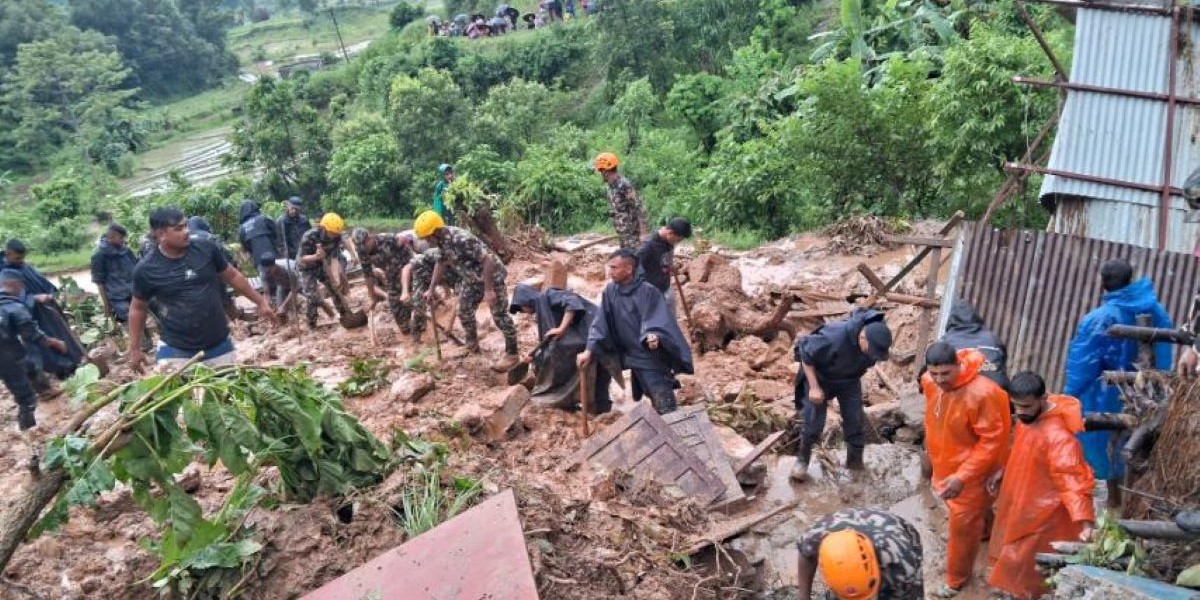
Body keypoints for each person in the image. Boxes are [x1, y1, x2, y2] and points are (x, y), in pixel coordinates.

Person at [1064, 259, 1171, 509]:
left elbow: (1082, 362)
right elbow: (1164, 351)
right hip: (1147, 391)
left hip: (1105, 392)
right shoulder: (1154, 310)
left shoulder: (1098, 319)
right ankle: (1134, 505)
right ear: (1131, 279)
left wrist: (1069, 395)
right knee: (1138, 448)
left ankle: (1114, 504)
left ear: (1102, 284)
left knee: (1106, 448)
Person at [987, 372, 1095, 600]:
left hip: (1044, 518)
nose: (1020, 412)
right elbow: (1021, 450)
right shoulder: (1029, 420)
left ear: (1043, 399)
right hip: (1021, 503)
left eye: (1026, 406)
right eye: (1016, 406)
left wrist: (1085, 522)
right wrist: (1004, 471)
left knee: (1030, 571)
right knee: (1013, 561)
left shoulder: (1059, 438)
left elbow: (1072, 481)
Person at [127, 207, 276, 371]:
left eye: (185, 226)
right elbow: (138, 308)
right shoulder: (146, 269)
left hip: (218, 343)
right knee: (181, 394)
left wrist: (260, 302)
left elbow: (232, 276)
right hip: (176, 350)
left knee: (225, 393)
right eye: (178, 228)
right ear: (161, 234)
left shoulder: (205, 248)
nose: (186, 231)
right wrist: (134, 349)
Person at [921, 342, 1012, 598]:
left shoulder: (985, 393)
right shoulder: (929, 383)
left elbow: (993, 440)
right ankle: (986, 533)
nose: (940, 380)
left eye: (945, 374)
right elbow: (932, 419)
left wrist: (963, 476)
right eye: (934, 373)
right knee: (974, 517)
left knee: (961, 527)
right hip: (946, 463)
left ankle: (956, 579)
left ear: (958, 366)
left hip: (974, 471)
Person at [578, 249, 693, 414]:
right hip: (626, 353)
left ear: (629, 269)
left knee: (663, 401)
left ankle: (674, 428)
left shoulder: (648, 292)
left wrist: (653, 335)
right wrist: (588, 351)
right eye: (610, 268)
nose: (610, 272)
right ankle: (600, 410)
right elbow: (600, 323)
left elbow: (657, 320)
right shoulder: (610, 291)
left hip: (648, 356)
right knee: (597, 361)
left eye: (614, 268)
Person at [790, 308, 893, 481]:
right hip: (821, 378)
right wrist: (814, 387)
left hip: (849, 381)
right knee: (814, 424)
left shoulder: (877, 336)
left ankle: (855, 464)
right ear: (862, 338)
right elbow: (806, 353)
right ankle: (802, 460)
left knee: (855, 421)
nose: (873, 355)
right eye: (871, 351)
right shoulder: (833, 337)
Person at [415, 211, 519, 368]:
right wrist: (431, 289)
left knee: (499, 315)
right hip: (471, 279)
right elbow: (441, 263)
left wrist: (489, 290)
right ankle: (472, 344)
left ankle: (512, 354)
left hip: (492, 277)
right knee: (464, 311)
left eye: (427, 238)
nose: (427, 242)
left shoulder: (460, 239)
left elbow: (488, 260)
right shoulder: (442, 242)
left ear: (435, 232)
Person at [510, 283, 612, 413]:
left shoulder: (548, 295)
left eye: (520, 309)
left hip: (598, 334)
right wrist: (534, 356)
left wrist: (562, 328)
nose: (523, 312)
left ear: (525, 301)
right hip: (589, 340)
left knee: (600, 378)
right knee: (597, 380)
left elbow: (573, 302)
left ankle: (601, 414)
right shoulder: (543, 310)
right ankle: (600, 415)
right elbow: (549, 340)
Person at [796, 508, 924, 600]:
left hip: (893, 533)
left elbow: (915, 593)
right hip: (845, 524)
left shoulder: (903, 566)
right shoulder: (816, 537)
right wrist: (803, 595)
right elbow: (805, 554)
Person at [4, 239, 83, 380]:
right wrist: (34, 298)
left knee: (62, 335)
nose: (20, 261)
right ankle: (62, 370)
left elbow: (40, 281)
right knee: (45, 341)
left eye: (22, 258)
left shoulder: (23, 265)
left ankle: (73, 363)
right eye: (17, 258)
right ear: (8, 254)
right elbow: (11, 297)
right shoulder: (5, 272)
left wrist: (53, 293)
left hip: (47, 309)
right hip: (32, 314)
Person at [0, 269, 69, 430]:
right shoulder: (13, 307)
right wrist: (55, 342)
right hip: (6, 356)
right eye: (22, 286)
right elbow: (32, 334)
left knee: (29, 365)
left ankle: (45, 390)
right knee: (26, 398)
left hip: (10, 350)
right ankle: (29, 433)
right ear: (15, 285)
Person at [352, 228, 422, 330]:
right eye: (360, 247)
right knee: (394, 303)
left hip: (406, 268)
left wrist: (412, 270)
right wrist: (372, 296)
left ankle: (420, 327)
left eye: (364, 245)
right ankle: (405, 328)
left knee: (412, 298)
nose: (364, 249)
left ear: (370, 238)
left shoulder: (387, 239)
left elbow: (406, 247)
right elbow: (367, 274)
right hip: (391, 275)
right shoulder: (362, 251)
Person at [297, 213, 352, 330]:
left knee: (335, 289)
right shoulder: (309, 236)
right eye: (331, 233)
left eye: (335, 234)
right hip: (306, 266)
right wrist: (316, 257)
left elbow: (334, 258)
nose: (333, 236)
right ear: (324, 228)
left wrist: (336, 278)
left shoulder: (337, 236)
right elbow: (303, 258)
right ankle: (312, 324)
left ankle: (346, 316)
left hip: (323, 264)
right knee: (312, 297)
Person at [939, 300, 1009, 390]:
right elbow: (1003, 363)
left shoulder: (944, 341)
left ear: (950, 319)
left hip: (960, 393)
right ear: (976, 317)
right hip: (993, 391)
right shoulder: (993, 339)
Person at [401, 247, 462, 339]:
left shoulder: (460, 273)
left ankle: (474, 326)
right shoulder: (432, 256)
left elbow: (459, 299)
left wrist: (450, 325)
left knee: (465, 305)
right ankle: (416, 339)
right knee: (418, 304)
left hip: (448, 278)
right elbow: (406, 268)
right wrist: (405, 291)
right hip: (423, 274)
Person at [636, 217, 692, 315]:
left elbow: (665, 258)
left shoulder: (668, 241)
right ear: (670, 232)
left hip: (665, 286)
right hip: (651, 291)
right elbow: (636, 267)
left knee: (670, 315)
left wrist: (669, 265)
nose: (677, 243)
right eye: (678, 240)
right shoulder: (648, 246)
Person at [594, 152, 648, 251]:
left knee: (635, 259)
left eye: (601, 172)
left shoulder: (624, 184)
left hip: (632, 234)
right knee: (626, 259)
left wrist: (644, 233)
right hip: (623, 234)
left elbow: (639, 207)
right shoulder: (610, 187)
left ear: (605, 172)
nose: (601, 174)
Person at [237, 200, 285, 306]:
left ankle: (271, 306)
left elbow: (245, 248)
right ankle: (283, 305)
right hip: (274, 256)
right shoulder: (264, 219)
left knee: (266, 283)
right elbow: (276, 233)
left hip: (259, 260)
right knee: (280, 281)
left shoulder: (242, 229)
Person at [90, 223, 138, 324]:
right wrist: (107, 306)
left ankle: (146, 337)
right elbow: (100, 282)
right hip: (117, 297)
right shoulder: (99, 255)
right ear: (111, 237)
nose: (123, 240)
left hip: (133, 291)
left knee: (141, 317)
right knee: (130, 321)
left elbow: (137, 268)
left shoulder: (125, 250)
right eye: (121, 238)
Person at [277, 196, 311, 267]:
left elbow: (310, 236)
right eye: (292, 208)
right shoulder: (281, 222)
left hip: (305, 254)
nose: (294, 211)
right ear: (288, 206)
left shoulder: (304, 220)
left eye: (297, 209)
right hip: (290, 258)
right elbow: (280, 244)